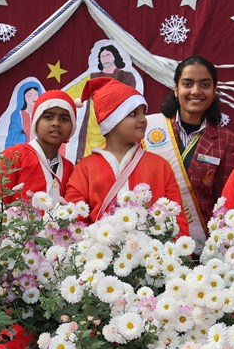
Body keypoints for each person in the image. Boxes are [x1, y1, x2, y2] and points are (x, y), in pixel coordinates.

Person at [65, 78, 188, 235]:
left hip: (154, 250)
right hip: (98, 248)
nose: (143, 119)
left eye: (144, 112)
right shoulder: (85, 168)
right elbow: (74, 223)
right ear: (111, 120)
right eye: (133, 113)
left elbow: (177, 222)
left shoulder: (160, 165)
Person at [144, 57, 234, 245]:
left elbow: (224, 202)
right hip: (150, 240)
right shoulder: (148, 129)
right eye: (187, 84)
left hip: (199, 245)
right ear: (176, 89)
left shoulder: (227, 141)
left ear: (214, 90)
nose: (196, 91)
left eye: (205, 85)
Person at [0, 90, 77, 206]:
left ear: (72, 127)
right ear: (36, 122)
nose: (56, 123)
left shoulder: (70, 169)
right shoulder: (12, 157)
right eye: (48, 117)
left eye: (64, 119)